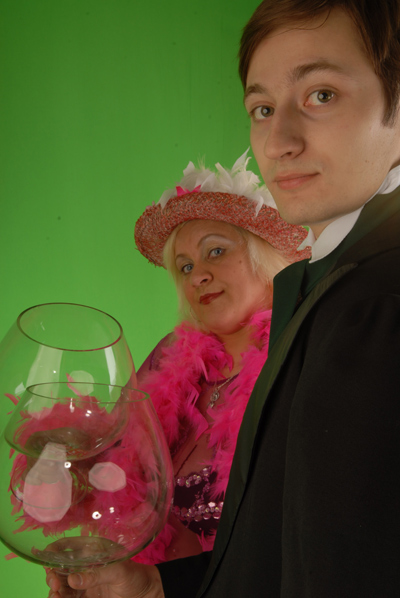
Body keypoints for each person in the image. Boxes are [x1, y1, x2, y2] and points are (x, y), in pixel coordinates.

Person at [47, 0, 400, 594]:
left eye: (321, 94)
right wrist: (156, 587)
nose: (279, 140)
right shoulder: (325, 287)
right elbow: (288, 551)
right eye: (262, 108)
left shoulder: (376, 301)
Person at [46, 152, 309, 597]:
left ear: (263, 256)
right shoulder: (170, 358)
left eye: (216, 251)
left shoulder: (304, 356)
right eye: (185, 266)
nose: (198, 275)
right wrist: (65, 464)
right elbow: (116, 468)